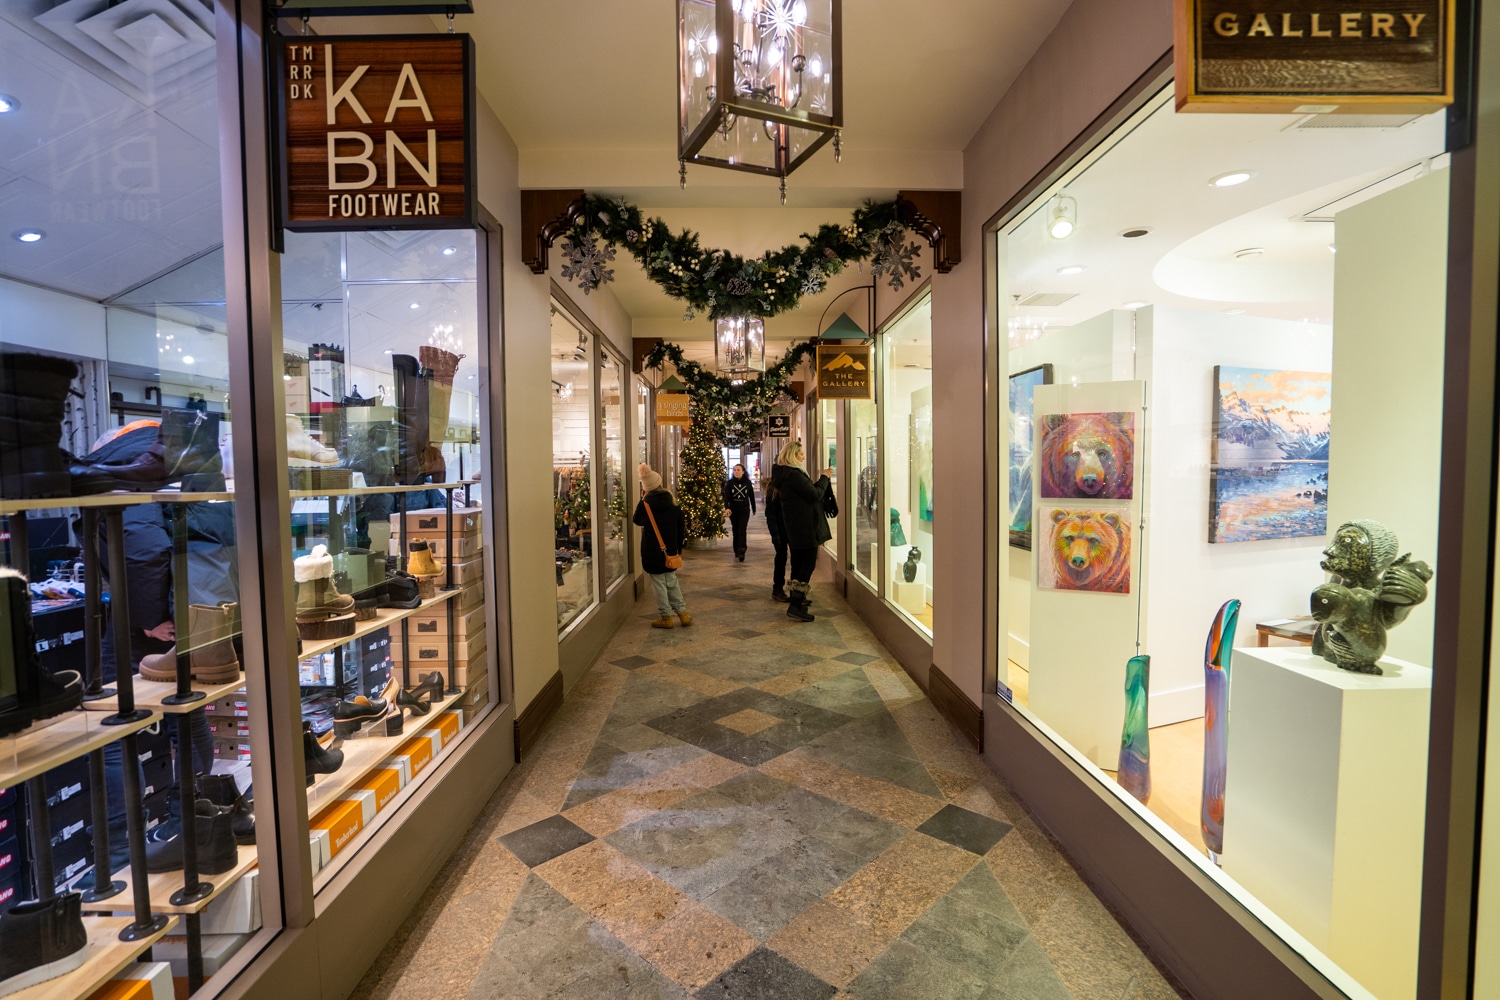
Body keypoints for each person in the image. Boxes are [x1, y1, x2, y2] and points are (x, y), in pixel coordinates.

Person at [771, 440, 832, 622]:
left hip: (796, 526)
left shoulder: (786, 474)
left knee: (798, 564)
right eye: (801, 454)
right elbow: (814, 494)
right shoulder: (794, 475)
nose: (803, 457)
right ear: (792, 455)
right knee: (807, 565)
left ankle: (796, 601)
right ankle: (796, 605)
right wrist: (824, 478)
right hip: (804, 527)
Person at [632, 464, 691, 629]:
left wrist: (642, 499)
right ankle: (683, 613)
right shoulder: (672, 500)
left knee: (659, 584)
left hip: (652, 551)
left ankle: (666, 617)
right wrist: (678, 549)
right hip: (670, 549)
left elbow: (636, 520)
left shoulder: (645, 504)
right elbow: (681, 527)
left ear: (645, 488)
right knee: (671, 580)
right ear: (659, 483)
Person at [764, 458, 790, 602]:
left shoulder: (789, 483)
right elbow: (770, 513)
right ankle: (778, 588)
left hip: (791, 527)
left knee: (795, 558)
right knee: (781, 557)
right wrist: (775, 533)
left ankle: (796, 590)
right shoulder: (774, 487)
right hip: (780, 529)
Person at [722, 463, 756, 562]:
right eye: (735, 470)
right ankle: (736, 549)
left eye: (738, 470)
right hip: (733, 510)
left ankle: (742, 550)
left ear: (743, 472)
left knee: (742, 529)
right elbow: (726, 497)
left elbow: (751, 496)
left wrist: (754, 508)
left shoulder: (748, 483)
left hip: (744, 510)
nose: (736, 472)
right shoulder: (730, 483)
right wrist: (727, 508)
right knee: (735, 529)